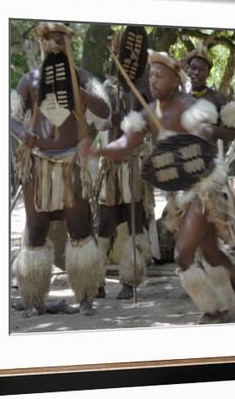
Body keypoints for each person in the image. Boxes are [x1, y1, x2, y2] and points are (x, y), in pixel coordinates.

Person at [81, 50, 235, 324]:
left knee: (182, 254)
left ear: (175, 80)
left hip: (203, 189)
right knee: (210, 252)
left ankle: (217, 309)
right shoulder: (149, 113)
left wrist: (196, 135)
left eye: (159, 76)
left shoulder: (189, 107)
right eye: (150, 76)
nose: (152, 81)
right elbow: (126, 145)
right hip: (180, 195)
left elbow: (204, 142)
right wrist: (98, 151)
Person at [11, 22, 110, 317]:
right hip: (39, 163)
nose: (56, 47)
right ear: (42, 45)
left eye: (61, 43)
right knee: (36, 231)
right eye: (51, 43)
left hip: (71, 164)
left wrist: (79, 92)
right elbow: (11, 116)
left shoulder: (82, 77)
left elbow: (105, 111)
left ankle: (85, 297)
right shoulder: (30, 80)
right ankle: (35, 299)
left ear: (69, 45)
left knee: (79, 229)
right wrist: (22, 133)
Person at [97, 68, 154, 299]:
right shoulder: (105, 90)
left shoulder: (143, 92)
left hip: (133, 166)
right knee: (104, 225)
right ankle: (96, 280)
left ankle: (130, 282)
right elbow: (98, 123)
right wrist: (111, 118)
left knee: (135, 223)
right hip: (111, 168)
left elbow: (151, 123)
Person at [184, 45, 235, 142]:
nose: (196, 72)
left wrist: (211, 130)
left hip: (207, 155)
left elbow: (232, 134)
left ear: (208, 73)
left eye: (202, 69)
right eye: (193, 67)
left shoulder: (218, 98)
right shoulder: (179, 96)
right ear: (187, 70)